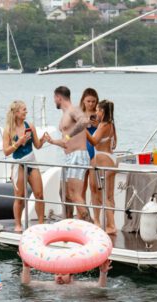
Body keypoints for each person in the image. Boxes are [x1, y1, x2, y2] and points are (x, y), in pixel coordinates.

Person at [43, 86, 91, 221]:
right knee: (64, 193)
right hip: (69, 157)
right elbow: (65, 142)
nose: (54, 102)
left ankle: (89, 226)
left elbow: (84, 121)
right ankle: (68, 223)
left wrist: (68, 136)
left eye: (54, 99)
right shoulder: (64, 115)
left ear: (59, 97)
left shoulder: (73, 110)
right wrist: (52, 141)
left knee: (75, 194)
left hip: (78, 156)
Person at [2, 100, 46, 232]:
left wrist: (43, 139)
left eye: (26, 110)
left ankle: (40, 223)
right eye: (24, 110)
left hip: (32, 161)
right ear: (16, 112)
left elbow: (37, 146)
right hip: (19, 164)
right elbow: (6, 151)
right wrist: (19, 142)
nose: (26, 112)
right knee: (19, 196)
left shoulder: (30, 126)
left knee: (39, 194)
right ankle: (18, 225)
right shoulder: (8, 130)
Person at [86, 100, 117, 234]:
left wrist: (84, 130)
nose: (96, 112)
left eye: (98, 110)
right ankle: (106, 223)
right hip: (109, 159)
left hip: (103, 160)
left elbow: (93, 141)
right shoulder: (109, 125)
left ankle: (111, 225)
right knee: (108, 196)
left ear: (103, 111)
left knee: (103, 196)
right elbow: (114, 144)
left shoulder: (104, 126)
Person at [21, 259, 111, 287]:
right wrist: (26, 266)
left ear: (72, 276)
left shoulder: (79, 286)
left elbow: (100, 287)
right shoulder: (49, 285)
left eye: (63, 274)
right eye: (56, 274)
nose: (59, 276)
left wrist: (103, 273)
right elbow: (26, 283)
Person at [80, 88, 99, 203]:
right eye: (88, 101)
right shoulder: (79, 115)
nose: (91, 104)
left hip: (94, 152)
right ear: (83, 101)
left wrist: (97, 124)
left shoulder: (99, 115)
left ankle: (95, 216)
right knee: (81, 186)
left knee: (94, 186)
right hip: (81, 151)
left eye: (93, 101)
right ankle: (82, 214)